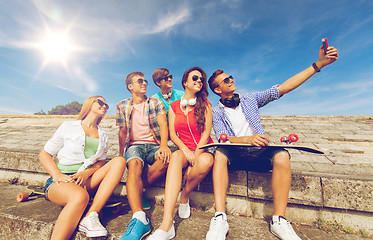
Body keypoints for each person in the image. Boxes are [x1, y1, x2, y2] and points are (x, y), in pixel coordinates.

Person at [207, 45, 339, 240]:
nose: (231, 80)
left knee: (283, 154)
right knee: (219, 152)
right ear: (218, 89)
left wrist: (318, 64)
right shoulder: (216, 111)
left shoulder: (250, 99)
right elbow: (222, 137)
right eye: (226, 80)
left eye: (231, 76)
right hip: (234, 154)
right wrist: (246, 139)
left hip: (259, 152)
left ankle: (279, 220)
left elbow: (283, 88)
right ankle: (220, 217)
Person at [39, 96, 126, 240]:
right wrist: (57, 175)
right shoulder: (68, 126)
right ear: (89, 104)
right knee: (80, 196)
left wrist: (86, 173)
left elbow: (100, 163)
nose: (104, 106)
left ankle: (91, 215)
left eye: (106, 105)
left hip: (86, 180)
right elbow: (44, 154)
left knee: (119, 161)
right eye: (100, 102)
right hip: (61, 181)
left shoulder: (103, 135)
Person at [148, 67, 215, 240]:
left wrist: (198, 152)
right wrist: (185, 150)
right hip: (184, 149)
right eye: (195, 78)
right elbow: (172, 134)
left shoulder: (206, 105)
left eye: (201, 79)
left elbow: (207, 133)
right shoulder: (173, 106)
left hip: (202, 147)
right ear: (185, 82)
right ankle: (167, 224)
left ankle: (184, 195)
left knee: (206, 162)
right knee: (176, 156)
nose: (199, 81)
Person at [117, 71, 171, 240]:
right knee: (133, 165)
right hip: (134, 145)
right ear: (130, 86)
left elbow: (163, 124)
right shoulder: (122, 105)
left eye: (145, 81)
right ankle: (139, 217)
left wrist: (163, 145)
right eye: (140, 81)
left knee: (165, 160)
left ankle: (139, 190)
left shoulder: (155, 102)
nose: (144, 83)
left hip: (154, 144)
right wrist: (121, 155)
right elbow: (123, 131)